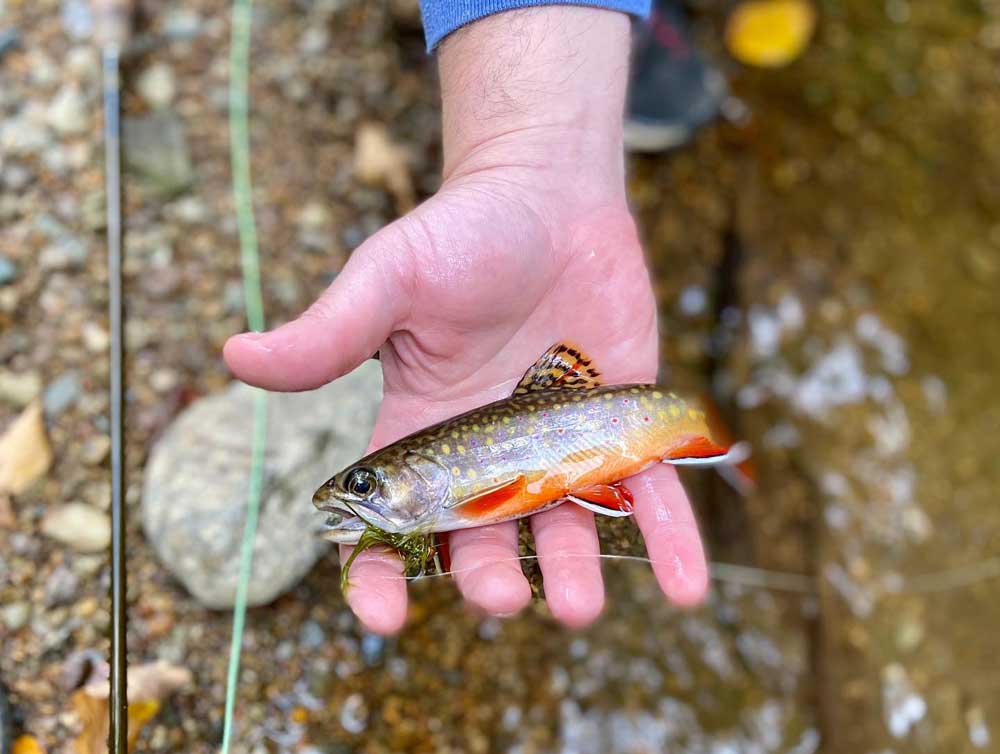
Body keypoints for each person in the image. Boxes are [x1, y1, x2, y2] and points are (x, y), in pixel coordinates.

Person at [224, 1, 711, 636]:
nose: (355, 499)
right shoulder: (446, 493)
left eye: (365, 486)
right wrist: (525, 161)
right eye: (365, 487)